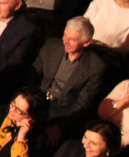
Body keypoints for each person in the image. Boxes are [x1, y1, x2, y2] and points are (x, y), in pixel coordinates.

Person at [31, 17, 107, 145]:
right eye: (65, 35)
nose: (65, 41)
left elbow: (83, 104)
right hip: (38, 98)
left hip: (62, 111)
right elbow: (33, 74)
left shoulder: (96, 66)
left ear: (87, 42)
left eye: (72, 39)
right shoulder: (52, 46)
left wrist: (60, 126)